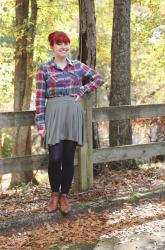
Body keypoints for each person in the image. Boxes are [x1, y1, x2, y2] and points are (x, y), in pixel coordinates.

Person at [35, 31, 105, 214]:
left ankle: (64, 195)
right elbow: (40, 98)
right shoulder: (44, 69)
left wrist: (82, 90)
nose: (63, 47)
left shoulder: (77, 66)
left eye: (66, 44)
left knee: (67, 158)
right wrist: (41, 124)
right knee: (55, 157)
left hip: (73, 114)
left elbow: (99, 79)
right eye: (59, 44)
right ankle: (54, 194)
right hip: (54, 114)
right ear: (52, 46)